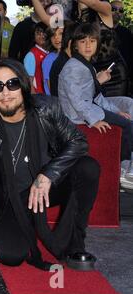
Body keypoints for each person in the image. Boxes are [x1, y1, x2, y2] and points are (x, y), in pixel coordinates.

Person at [0, 58, 100, 273]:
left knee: (87, 168)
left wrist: (47, 175)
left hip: (49, 186)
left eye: (12, 84)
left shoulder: (46, 108)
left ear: (23, 85)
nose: (6, 93)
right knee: (10, 257)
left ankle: (75, 243)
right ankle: (25, 222)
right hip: (13, 197)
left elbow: (79, 142)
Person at [58, 23, 133, 188]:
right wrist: (94, 120)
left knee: (127, 108)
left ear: (97, 43)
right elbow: (77, 100)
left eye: (92, 41)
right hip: (77, 115)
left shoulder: (86, 65)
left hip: (90, 106)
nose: (88, 45)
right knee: (127, 125)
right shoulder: (73, 68)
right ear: (75, 44)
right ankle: (124, 169)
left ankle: (128, 164)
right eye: (83, 41)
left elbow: (96, 96)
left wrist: (116, 111)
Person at [34, 0, 129, 97]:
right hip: (91, 75)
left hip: (113, 73)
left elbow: (93, 3)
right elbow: (46, 19)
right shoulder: (73, 21)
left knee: (117, 108)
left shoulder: (105, 8)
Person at [49, 21, 77, 96]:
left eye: (60, 34)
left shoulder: (68, 60)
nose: (56, 37)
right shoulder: (65, 64)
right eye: (82, 41)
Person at [111, 0, 133, 96]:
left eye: (121, 11)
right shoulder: (98, 31)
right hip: (103, 80)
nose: (117, 12)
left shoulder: (127, 33)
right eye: (114, 9)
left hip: (122, 81)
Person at [23, 22, 49, 94]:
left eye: (44, 33)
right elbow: (29, 80)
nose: (41, 36)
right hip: (39, 96)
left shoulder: (51, 53)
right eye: (38, 33)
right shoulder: (31, 55)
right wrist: (34, 98)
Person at [42, 24, 65, 95]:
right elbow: (51, 87)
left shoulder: (72, 57)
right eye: (53, 35)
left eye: (60, 34)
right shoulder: (49, 60)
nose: (56, 38)